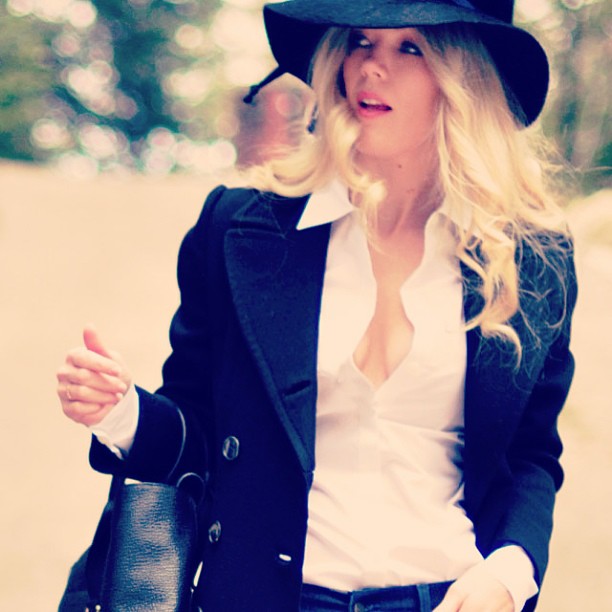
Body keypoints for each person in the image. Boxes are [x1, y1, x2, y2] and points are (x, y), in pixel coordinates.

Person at [56, 1, 577, 611]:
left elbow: (531, 456)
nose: (370, 68)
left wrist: (509, 574)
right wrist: (120, 412)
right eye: (359, 41)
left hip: (445, 596)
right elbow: (199, 433)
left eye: (411, 47)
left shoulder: (530, 261)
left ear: (463, 79)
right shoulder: (239, 230)